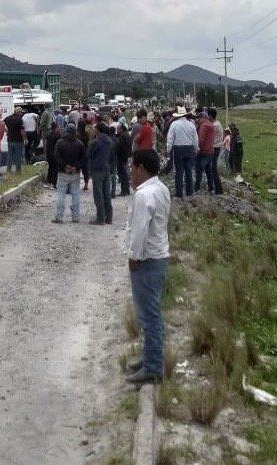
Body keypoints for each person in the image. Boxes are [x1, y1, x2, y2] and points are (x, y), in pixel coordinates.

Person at [125, 149, 171, 385]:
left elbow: (140, 230)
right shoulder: (161, 189)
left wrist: (134, 257)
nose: (130, 172)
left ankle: (153, 368)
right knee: (150, 314)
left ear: (141, 168)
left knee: (149, 316)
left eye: (132, 167)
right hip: (159, 257)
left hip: (147, 260)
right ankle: (149, 358)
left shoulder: (144, 195)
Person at [52, 122, 85, 224]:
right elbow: (83, 158)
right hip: (75, 173)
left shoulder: (60, 142)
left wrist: (65, 166)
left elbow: (56, 157)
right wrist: (76, 167)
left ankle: (59, 217)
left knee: (61, 194)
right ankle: (75, 217)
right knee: (75, 194)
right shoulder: (80, 143)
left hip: (63, 172)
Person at [166, 107, 198, 198]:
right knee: (189, 171)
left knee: (179, 171)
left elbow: (170, 138)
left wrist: (168, 150)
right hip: (189, 149)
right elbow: (195, 139)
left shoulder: (174, 124)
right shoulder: (191, 124)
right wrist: (195, 149)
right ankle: (189, 192)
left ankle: (179, 193)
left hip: (178, 149)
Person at [86, 123, 114, 225]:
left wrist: (90, 140)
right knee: (106, 193)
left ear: (98, 130)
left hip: (97, 169)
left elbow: (89, 154)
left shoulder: (96, 142)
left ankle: (100, 218)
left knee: (98, 194)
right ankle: (109, 216)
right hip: (106, 168)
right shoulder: (109, 141)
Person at [195, 112, 215, 194]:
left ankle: (196, 188)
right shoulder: (211, 125)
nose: (198, 120)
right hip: (210, 150)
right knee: (208, 170)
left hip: (203, 151)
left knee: (199, 170)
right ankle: (211, 187)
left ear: (202, 118)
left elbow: (201, 139)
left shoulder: (203, 126)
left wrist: (198, 148)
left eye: (199, 118)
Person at [4, 106, 26, 174]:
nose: (22, 114)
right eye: (21, 112)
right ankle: (18, 171)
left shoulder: (8, 118)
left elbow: (2, 124)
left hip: (10, 139)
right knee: (18, 156)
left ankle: (8, 170)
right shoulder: (19, 119)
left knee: (10, 155)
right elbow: (22, 131)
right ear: (19, 112)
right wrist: (25, 138)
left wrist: (7, 131)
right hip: (18, 140)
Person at [208, 108, 224, 194]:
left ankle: (218, 189)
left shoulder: (214, 125)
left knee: (213, 169)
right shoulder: (217, 124)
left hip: (215, 148)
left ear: (210, 116)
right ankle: (217, 189)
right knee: (212, 169)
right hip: (216, 148)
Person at [115, 124, 132, 196]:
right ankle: (127, 190)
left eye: (118, 129)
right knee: (125, 174)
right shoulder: (127, 135)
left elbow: (120, 147)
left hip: (121, 157)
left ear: (122, 129)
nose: (117, 130)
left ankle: (123, 191)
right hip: (126, 156)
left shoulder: (122, 136)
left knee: (122, 174)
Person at [44, 122, 62, 188]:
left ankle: (48, 182)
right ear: (56, 127)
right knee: (55, 169)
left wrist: (45, 153)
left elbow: (45, 144)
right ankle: (54, 184)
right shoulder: (58, 134)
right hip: (55, 154)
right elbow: (59, 145)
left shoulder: (48, 133)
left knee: (50, 168)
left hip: (49, 154)